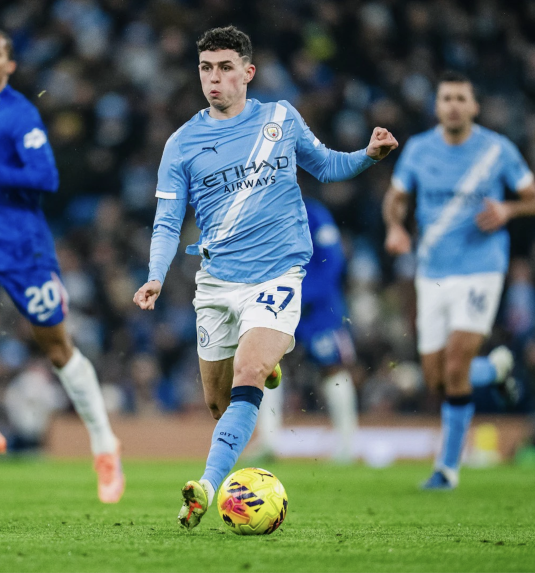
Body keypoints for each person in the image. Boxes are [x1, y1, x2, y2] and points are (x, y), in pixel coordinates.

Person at [132, 26, 397, 529]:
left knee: (248, 374)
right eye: (206, 68)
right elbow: (166, 222)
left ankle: (206, 487)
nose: (214, 78)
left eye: (225, 68)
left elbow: (327, 167)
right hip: (217, 283)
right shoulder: (181, 143)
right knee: (219, 403)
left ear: (248, 72)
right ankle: (267, 361)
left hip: (277, 273)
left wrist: (368, 156)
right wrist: (155, 276)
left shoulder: (280, 118)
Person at [0, 29, 124, 503]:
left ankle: (105, 445)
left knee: (57, 349)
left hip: (23, 248)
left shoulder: (20, 114)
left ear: (9, 66)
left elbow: (46, 177)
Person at [382, 71, 535, 490]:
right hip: (431, 273)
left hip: (481, 269)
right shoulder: (419, 150)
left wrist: (508, 210)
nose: (453, 106)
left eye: (461, 98)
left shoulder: (497, 150)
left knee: (455, 365)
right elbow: (395, 199)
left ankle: (447, 469)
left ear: (474, 106)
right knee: (436, 379)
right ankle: (494, 370)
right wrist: (395, 228)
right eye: (446, 98)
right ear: (437, 107)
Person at [257, 197, 359, 463]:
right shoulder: (263, 214)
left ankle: (347, 445)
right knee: (267, 368)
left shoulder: (314, 214)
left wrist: (304, 294)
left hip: (318, 310)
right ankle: (268, 442)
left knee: (332, 368)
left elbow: (332, 260)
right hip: (280, 306)